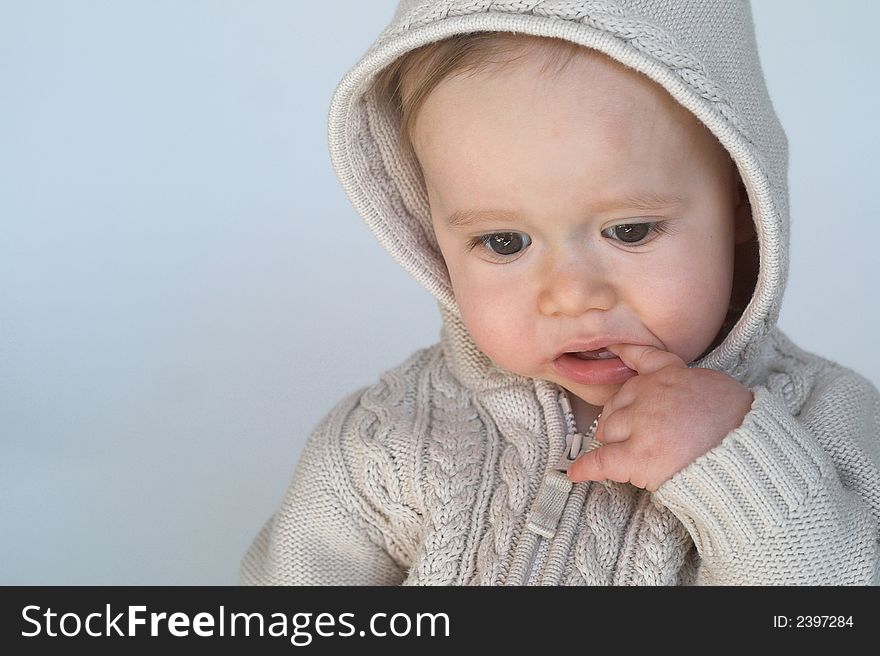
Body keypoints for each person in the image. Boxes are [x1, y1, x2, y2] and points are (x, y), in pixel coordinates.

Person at [240, 0, 880, 585]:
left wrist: (735, 462)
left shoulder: (830, 424)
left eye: (628, 230)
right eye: (504, 242)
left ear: (742, 200)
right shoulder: (380, 445)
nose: (572, 298)